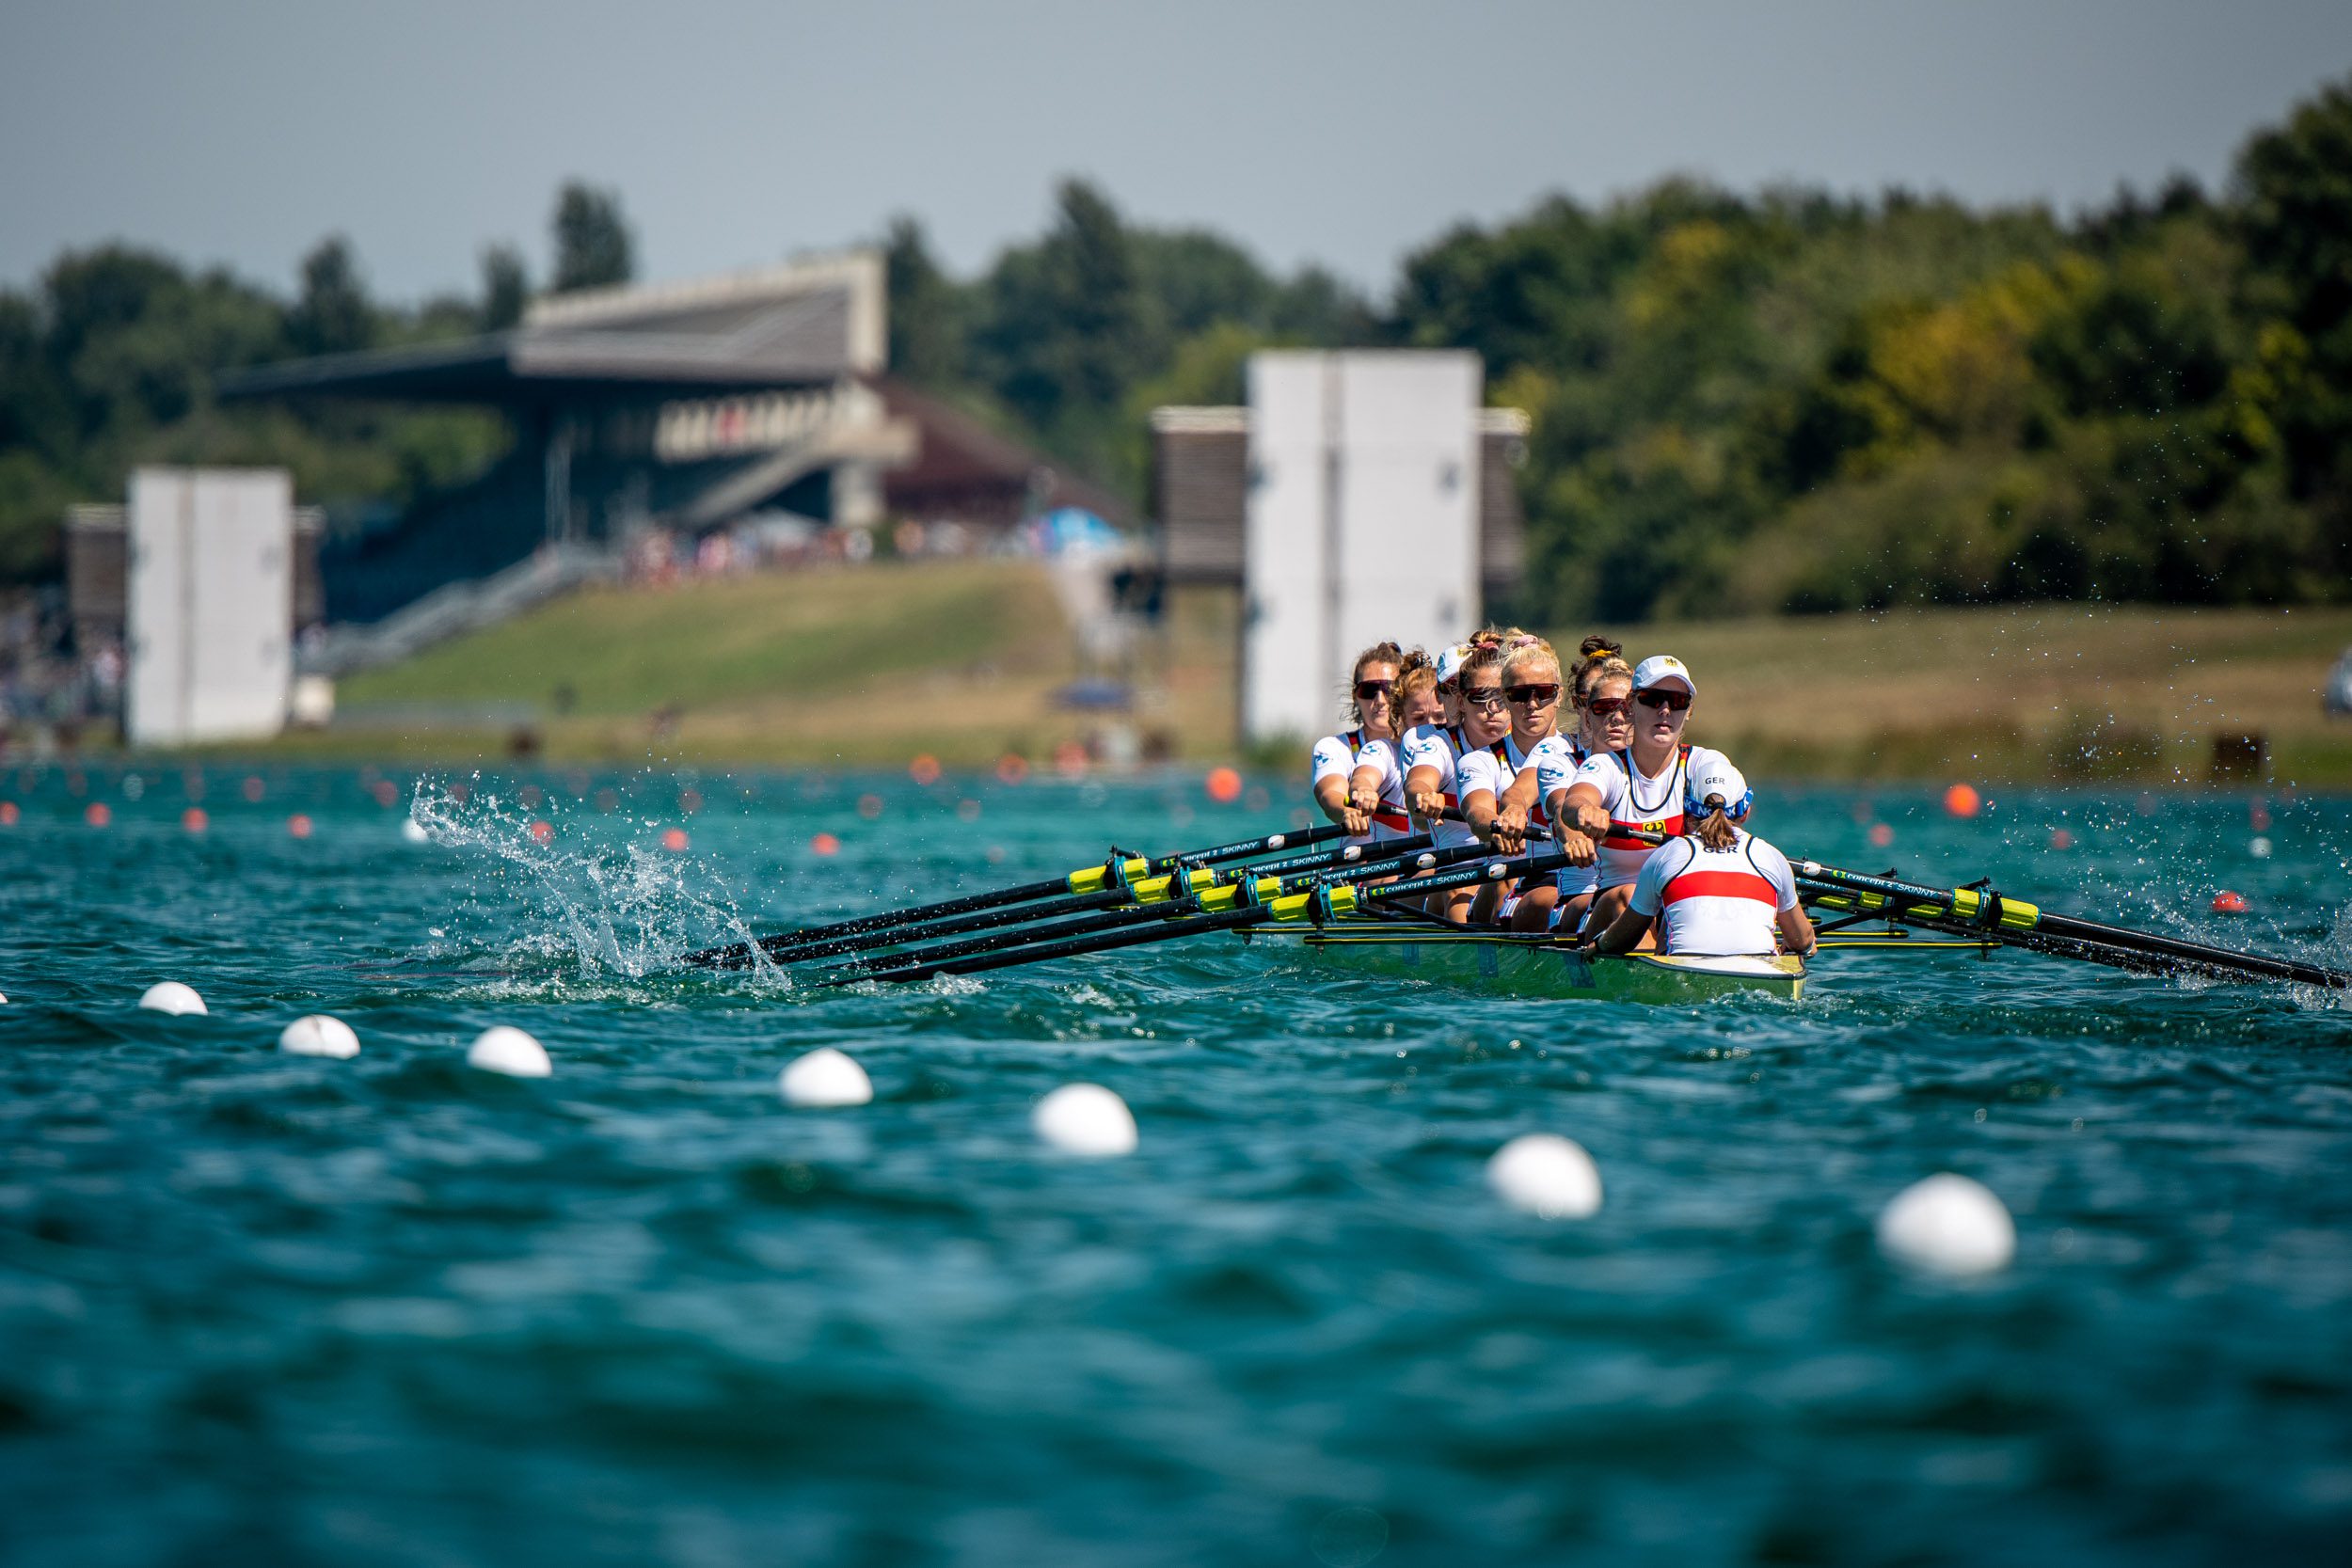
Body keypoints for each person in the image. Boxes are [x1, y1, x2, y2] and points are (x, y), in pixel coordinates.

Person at [1551, 655, 1751, 936]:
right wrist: (1585, 811)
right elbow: (1573, 803)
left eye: (1677, 701)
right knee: (1630, 895)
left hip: (1682, 905)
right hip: (1610, 909)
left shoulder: (1703, 763)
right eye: (1653, 699)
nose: (1666, 710)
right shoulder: (1607, 765)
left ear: (1689, 711)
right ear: (1631, 705)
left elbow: (1730, 802)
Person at [1589, 762, 1815, 959]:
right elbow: (1802, 942)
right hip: (1762, 978)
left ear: (1687, 810)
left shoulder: (1667, 855)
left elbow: (1623, 940)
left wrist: (1598, 945)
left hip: (1684, 981)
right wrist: (1800, 942)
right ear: (1745, 812)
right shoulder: (1771, 857)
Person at [1493, 636, 1635, 933]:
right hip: (1574, 895)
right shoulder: (1556, 755)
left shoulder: (1657, 763)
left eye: (1624, 705)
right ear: (1580, 704)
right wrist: (1569, 833)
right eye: (1596, 703)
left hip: (1638, 896)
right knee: (1629, 899)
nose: (1614, 716)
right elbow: (1551, 804)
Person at [1461, 635, 1593, 924]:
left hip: (1578, 878)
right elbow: (1478, 813)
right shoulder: (1479, 761)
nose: (1532, 704)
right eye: (1520, 694)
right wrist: (1501, 822)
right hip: (1515, 881)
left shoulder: (1585, 753)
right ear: (1505, 699)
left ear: (1559, 695)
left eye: (1543, 691)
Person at [1311, 641, 1412, 840]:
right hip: (1360, 861)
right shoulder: (1335, 748)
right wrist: (1347, 810)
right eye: (1369, 691)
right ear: (1356, 695)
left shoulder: (1425, 747)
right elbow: (1330, 793)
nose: (1380, 700)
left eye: (1388, 689)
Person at [1344, 649, 1447, 846]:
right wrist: (1363, 791)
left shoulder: (1465, 753)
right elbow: (1364, 778)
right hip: (1402, 867)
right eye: (1419, 718)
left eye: (1439, 717)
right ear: (1400, 718)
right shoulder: (1383, 752)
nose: (1430, 727)